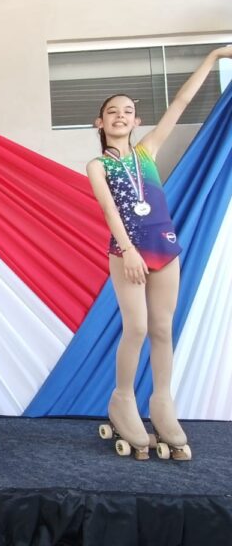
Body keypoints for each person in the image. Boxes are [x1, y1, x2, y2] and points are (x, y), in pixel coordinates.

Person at [87, 46, 232, 460]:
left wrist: (214, 57)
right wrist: (129, 251)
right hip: (127, 253)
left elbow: (181, 102)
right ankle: (122, 398)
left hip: (165, 249)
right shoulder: (98, 165)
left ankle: (162, 401)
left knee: (163, 329)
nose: (121, 116)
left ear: (137, 121)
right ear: (100, 122)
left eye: (128, 111)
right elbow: (109, 210)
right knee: (136, 328)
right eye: (112, 111)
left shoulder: (147, 151)